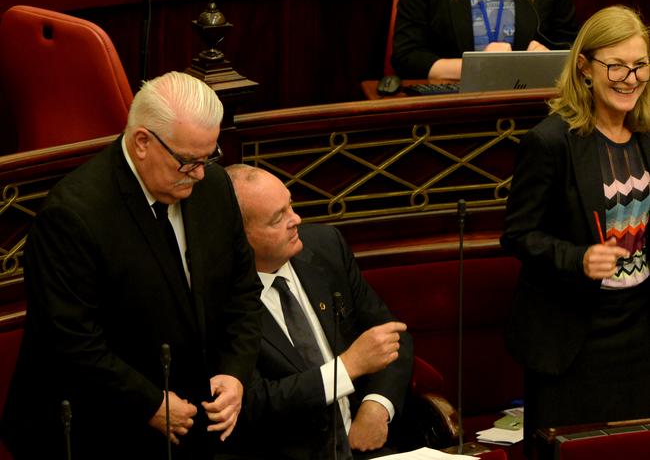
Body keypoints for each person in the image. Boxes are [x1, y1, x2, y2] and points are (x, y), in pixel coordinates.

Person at [1, 72, 263, 460]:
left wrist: (235, 372)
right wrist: (148, 403)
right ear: (142, 142)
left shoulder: (215, 188)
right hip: (96, 428)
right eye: (188, 162)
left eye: (209, 157)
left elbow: (243, 290)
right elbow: (72, 340)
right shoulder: (73, 215)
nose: (201, 174)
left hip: (193, 422)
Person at [501, 5, 650, 449]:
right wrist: (577, 256)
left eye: (640, 66)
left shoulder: (645, 135)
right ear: (584, 67)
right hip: (574, 340)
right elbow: (517, 234)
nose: (630, 79)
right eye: (616, 66)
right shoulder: (550, 142)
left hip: (640, 330)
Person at [225, 164, 414, 459]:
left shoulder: (326, 247)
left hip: (367, 447)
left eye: (290, 205)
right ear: (239, 236)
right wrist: (347, 368)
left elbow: (390, 337)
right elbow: (255, 402)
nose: (296, 219)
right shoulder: (220, 300)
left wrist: (377, 406)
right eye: (278, 218)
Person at [392, 0, 579, 81]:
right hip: (453, 111)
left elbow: (573, 47)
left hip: (531, 109)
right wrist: (477, 67)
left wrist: (548, 60)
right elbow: (406, 56)